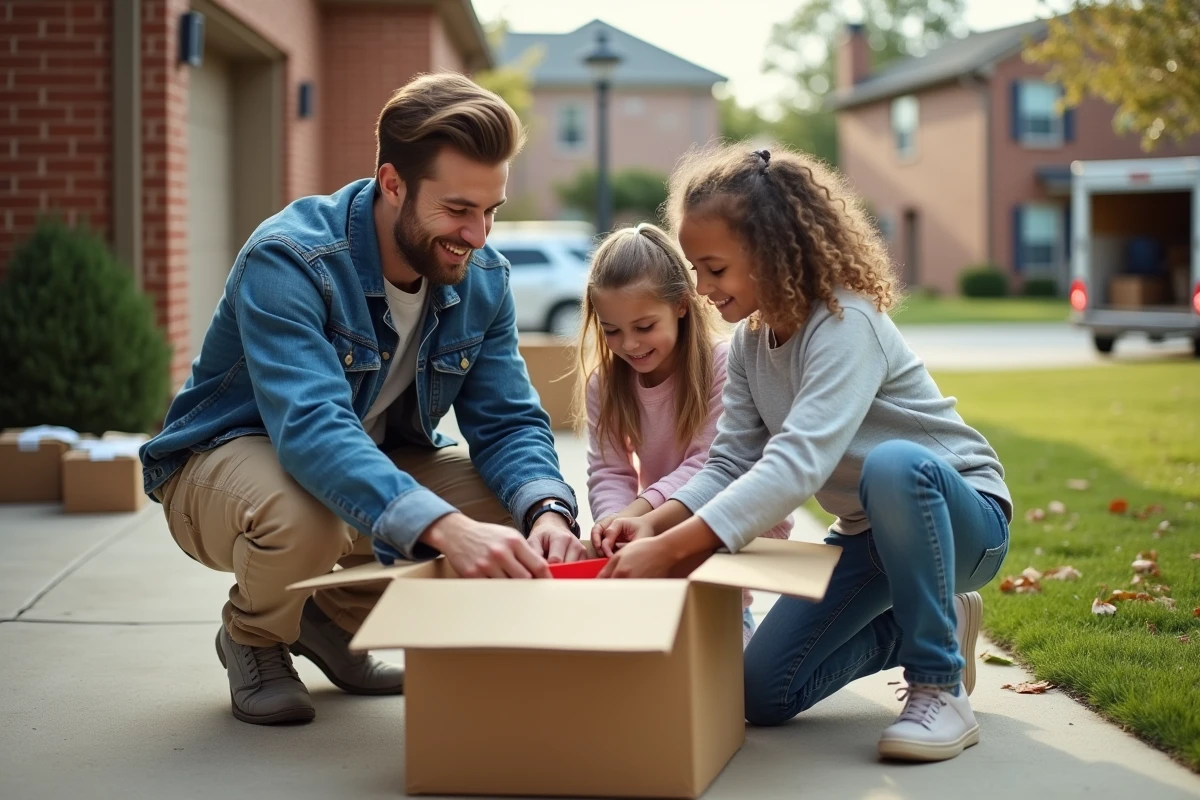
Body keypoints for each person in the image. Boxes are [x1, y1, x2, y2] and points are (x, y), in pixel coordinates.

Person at [140, 73, 586, 727]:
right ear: (393, 183)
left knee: (511, 520)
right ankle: (253, 637)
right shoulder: (290, 259)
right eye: (460, 209)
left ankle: (324, 620)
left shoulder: (483, 276)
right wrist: (444, 527)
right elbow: (313, 428)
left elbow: (510, 419)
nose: (480, 234)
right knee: (309, 516)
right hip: (223, 467)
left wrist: (548, 512)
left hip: (363, 464)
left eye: (491, 210)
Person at [594, 144, 1012, 763]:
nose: (702, 288)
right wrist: (650, 521)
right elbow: (731, 463)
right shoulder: (749, 346)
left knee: (893, 463)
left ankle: (939, 686)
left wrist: (677, 547)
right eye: (695, 269)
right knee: (760, 692)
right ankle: (933, 622)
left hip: (964, 522)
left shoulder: (847, 322)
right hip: (870, 536)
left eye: (714, 268)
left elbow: (798, 462)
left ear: (770, 252)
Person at [578, 224, 791, 647]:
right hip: (656, 527)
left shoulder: (723, 363)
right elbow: (608, 471)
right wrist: (611, 522)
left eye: (643, 326)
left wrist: (636, 514)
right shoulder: (605, 383)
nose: (630, 344)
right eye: (612, 330)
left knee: (734, 678)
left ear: (680, 306)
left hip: (731, 527)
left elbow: (713, 464)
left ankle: (735, 623)